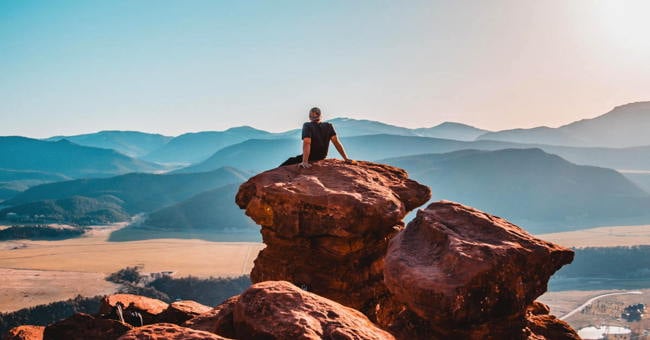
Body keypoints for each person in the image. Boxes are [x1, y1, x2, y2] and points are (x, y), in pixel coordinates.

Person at [281, 107, 351, 167]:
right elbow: (336, 142)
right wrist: (346, 158)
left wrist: (305, 161)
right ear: (320, 115)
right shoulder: (329, 126)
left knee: (289, 161)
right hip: (322, 156)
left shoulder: (307, 125)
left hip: (311, 157)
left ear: (310, 116)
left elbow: (307, 143)